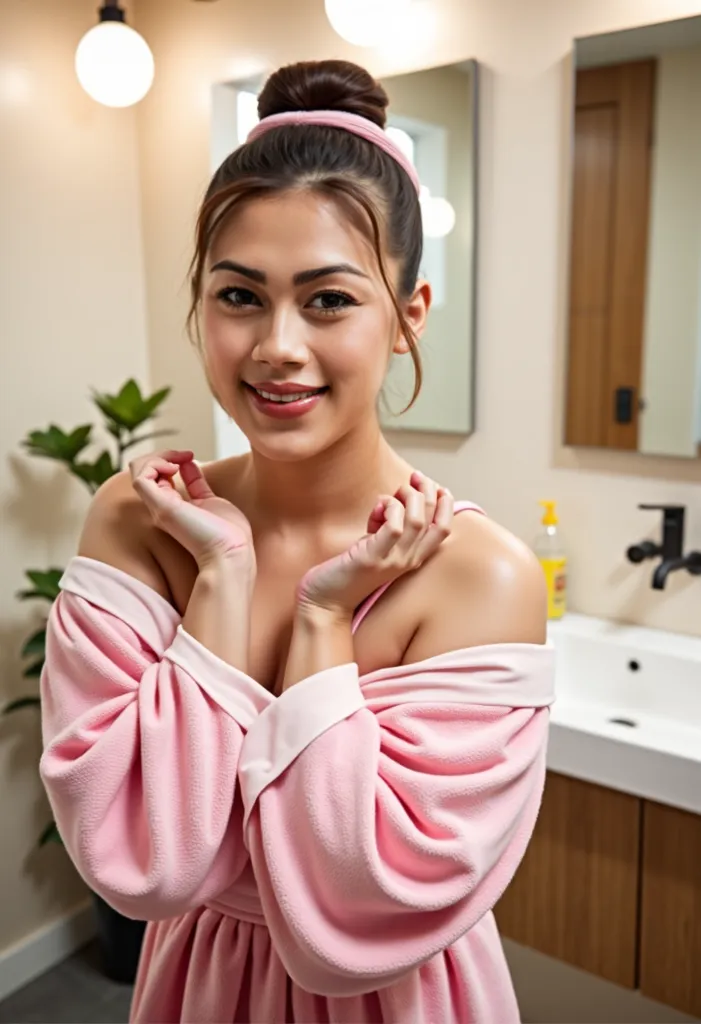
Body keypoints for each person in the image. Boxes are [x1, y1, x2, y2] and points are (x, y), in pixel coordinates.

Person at [39, 59, 554, 1024]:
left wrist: (321, 617)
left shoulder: (479, 577)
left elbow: (359, 905)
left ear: (407, 318)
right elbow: (140, 860)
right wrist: (222, 577)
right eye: (239, 296)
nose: (277, 344)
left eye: (328, 300)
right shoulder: (140, 521)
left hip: (396, 996)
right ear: (201, 306)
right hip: (195, 983)